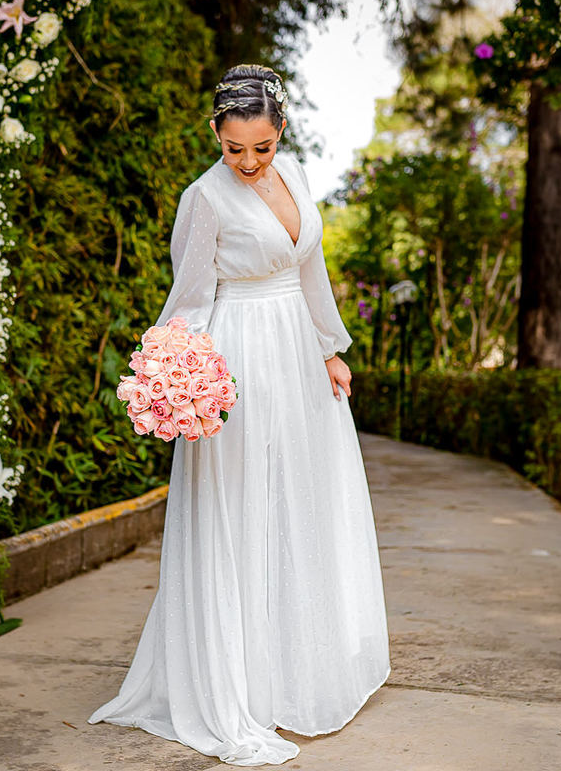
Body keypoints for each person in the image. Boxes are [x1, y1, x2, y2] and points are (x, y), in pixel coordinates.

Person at [87, 63, 390, 766]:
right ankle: (241, 684)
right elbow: (189, 299)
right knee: (247, 509)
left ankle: (301, 671)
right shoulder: (204, 199)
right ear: (215, 136)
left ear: (280, 130)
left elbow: (310, 268)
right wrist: (177, 380)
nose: (250, 163)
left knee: (302, 505)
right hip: (240, 360)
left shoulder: (302, 179)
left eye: (262, 147)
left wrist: (329, 348)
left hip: (298, 359)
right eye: (235, 150)